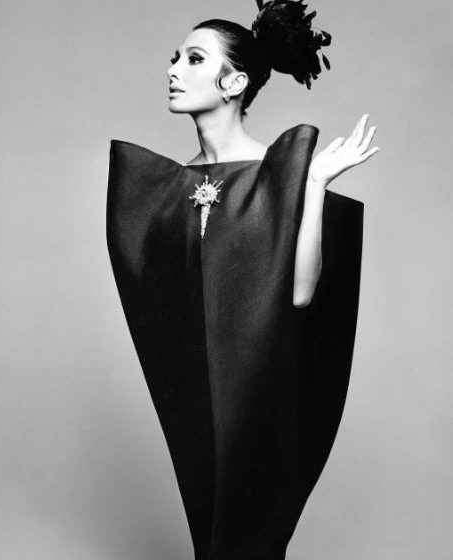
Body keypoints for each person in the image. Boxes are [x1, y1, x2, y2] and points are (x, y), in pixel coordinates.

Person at [106, 1, 380, 559]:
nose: (173, 69)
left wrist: (314, 185)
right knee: (211, 532)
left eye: (194, 59)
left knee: (248, 534)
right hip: (193, 397)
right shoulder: (166, 189)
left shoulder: (280, 176)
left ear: (234, 82)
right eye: (176, 57)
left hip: (260, 392)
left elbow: (299, 293)